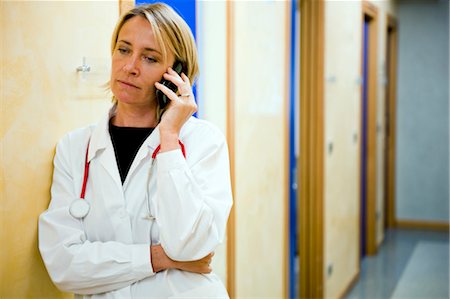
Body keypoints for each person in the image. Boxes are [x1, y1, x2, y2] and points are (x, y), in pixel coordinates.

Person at [38, 3, 233, 298]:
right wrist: (159, 258)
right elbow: (63, 265)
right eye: (124, 49)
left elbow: (191, 247)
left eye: (150, 57)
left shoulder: (203, 142)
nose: (130, 66)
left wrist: (168, 138)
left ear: (176, 72)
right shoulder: (75, 148)